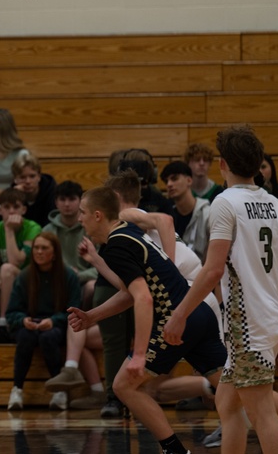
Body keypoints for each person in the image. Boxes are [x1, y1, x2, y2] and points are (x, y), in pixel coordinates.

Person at [163, 125, 278, 454]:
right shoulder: (277, 205)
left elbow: (213, 269)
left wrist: (179, 314)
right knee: (227, 403)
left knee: (262, 412)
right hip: (273, 320)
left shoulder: (224, 203)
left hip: (247, 325)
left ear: (222, 164)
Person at [72, 186, 227, 454]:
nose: (79, 219)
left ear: (97, 215)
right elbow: (129, 292)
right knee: (234, 388)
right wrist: (91, 317)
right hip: (199, 312)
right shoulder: (127, 233)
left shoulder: (118, 245)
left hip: (175, 319)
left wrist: (140, 355)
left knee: (122, 385)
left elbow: (143, 299)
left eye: (82, 213)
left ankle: (174, 450)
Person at [5, 232, 81, 411]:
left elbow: (74, 310)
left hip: (57, 326)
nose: (39, 252)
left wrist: (54, 320)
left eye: (44, 248)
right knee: (25, 337)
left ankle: (60, 390)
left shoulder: (68, 276)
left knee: (48, 338)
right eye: (36, 248)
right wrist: (23, 320)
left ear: (54, 253)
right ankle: (17, 389)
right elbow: (11, 312)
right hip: (30, 324)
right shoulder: (25, 276)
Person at [0, 188, 42, 344]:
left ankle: (4, 323)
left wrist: (9, 230)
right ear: (0, 210)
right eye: (7, 207)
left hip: (32, 281)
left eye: (16, 207)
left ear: (24, 209)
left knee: (7, 268)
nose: (11, 211)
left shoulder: (33, 229)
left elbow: (16, 261)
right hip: (7, 281)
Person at [42, 180, 96, 307]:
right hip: (55, 282)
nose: (67, 204)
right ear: (56, 202)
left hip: (84, 281)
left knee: (92, 287)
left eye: (72, 199)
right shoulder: (47, 232)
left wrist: (79, 275)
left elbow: (103, 266)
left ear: (80, 201)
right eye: (62, 199)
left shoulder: (92, 229)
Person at [160, 160, 211, 261]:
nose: (169, 184)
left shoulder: (208, 214)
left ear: (189, 181)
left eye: (174, 179)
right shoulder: (167, 216)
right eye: (166, 181)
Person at [10, 153, 57, 227]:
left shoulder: (52, 192)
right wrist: (15, 197)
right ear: (15, 179)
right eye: (22, 177)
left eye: (32, 176)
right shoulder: (11, 194)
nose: (28, 181)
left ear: (39, 176)